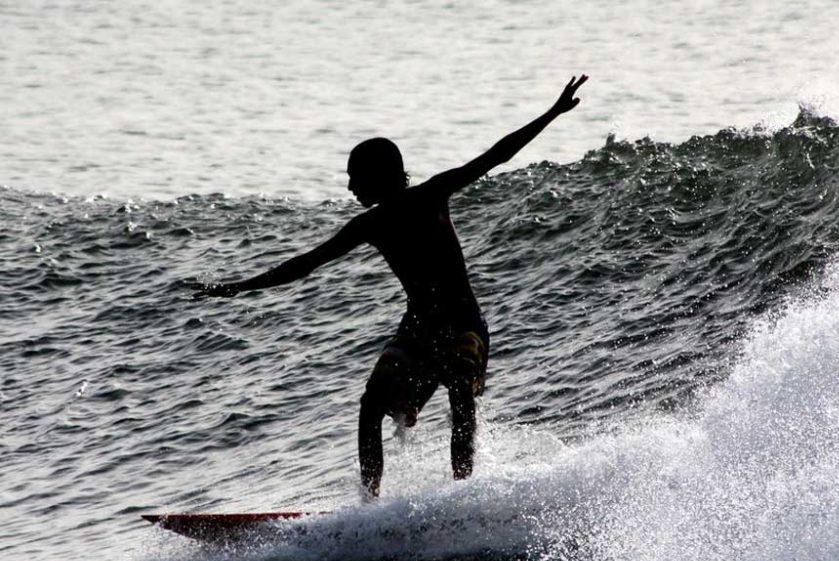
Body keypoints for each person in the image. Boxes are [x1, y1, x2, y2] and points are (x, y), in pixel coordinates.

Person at [191, 75, 589, 498]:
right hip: (417, 329)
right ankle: (370, 504)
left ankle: (464, 493)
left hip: (461, 322)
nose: (348, 187)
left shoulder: (430, 196)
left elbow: (496, 155)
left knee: (459, 391)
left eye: (354, 178)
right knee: (371, 407)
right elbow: (304, 265)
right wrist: (238, 287)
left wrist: (552, 112)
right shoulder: (370, 224)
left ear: (378, 176)